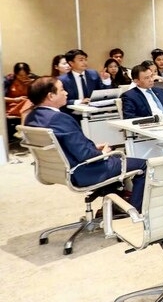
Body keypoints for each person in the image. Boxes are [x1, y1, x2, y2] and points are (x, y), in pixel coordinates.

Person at [25, 77, 147, 211]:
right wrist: (102, 153)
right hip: (83, 171)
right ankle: (135, 211)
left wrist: (94, 148)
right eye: (62, 90)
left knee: (116, 159)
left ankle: (113, 206)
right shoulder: (59, 119)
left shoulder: (31, 117)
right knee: (145, 165)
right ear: (51, 96)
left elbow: (64, 146)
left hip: (57, 171)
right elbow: (85, 155)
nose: (66, 93)